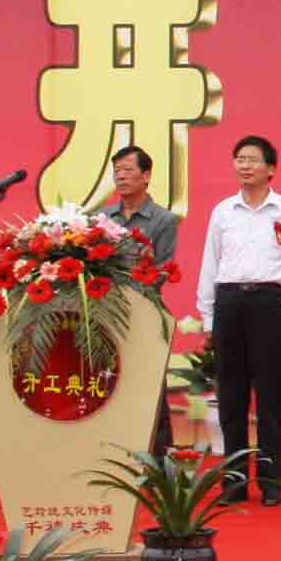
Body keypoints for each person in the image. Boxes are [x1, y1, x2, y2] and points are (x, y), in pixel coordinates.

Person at [195, 135, 281, 507]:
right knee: (231, 398)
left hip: (270, 303)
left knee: (270, 397)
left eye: (252, 159)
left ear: (271, 168)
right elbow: (210, 264)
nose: (244, 166)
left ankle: (271, 482)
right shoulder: (223, 212)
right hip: (229, 301)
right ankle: (234, 482)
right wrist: (208, 317)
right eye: (239, 159)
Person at [97, 145, 183, 455]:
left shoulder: (163, 220)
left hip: (143, 316)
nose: (121, 176)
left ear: (146, 176)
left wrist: (124, 289)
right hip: (106, 316)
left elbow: (160, 271)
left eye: (128, 169)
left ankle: (160, 461)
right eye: (117, 170)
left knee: (151, 391)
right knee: (108, 388)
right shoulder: (102, 219)